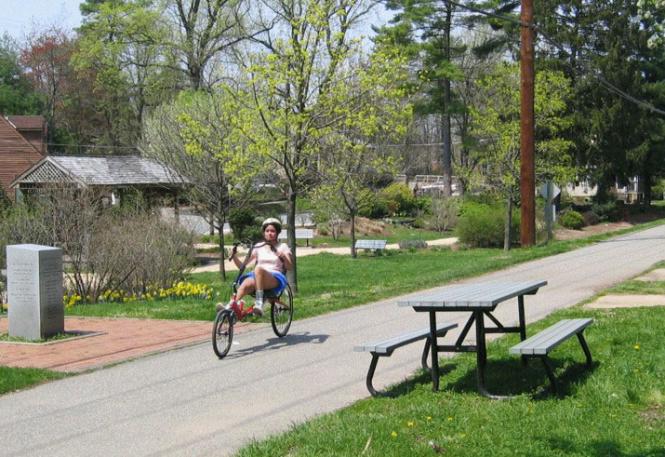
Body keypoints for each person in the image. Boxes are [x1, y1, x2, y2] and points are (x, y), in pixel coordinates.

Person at [219, 217, 293, 317]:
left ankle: (259, 303)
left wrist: (283, 256)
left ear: (277, 233)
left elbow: (289, 267)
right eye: (267, 231)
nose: (269, 233)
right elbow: (242, 266)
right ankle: (230, 306)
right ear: (264, 233)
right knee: (246, 282)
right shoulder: (258, 246)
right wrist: (234, 256)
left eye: (272, 231)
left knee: (258, 269)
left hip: (275, 278)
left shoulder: (282, 246)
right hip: (258, 277)